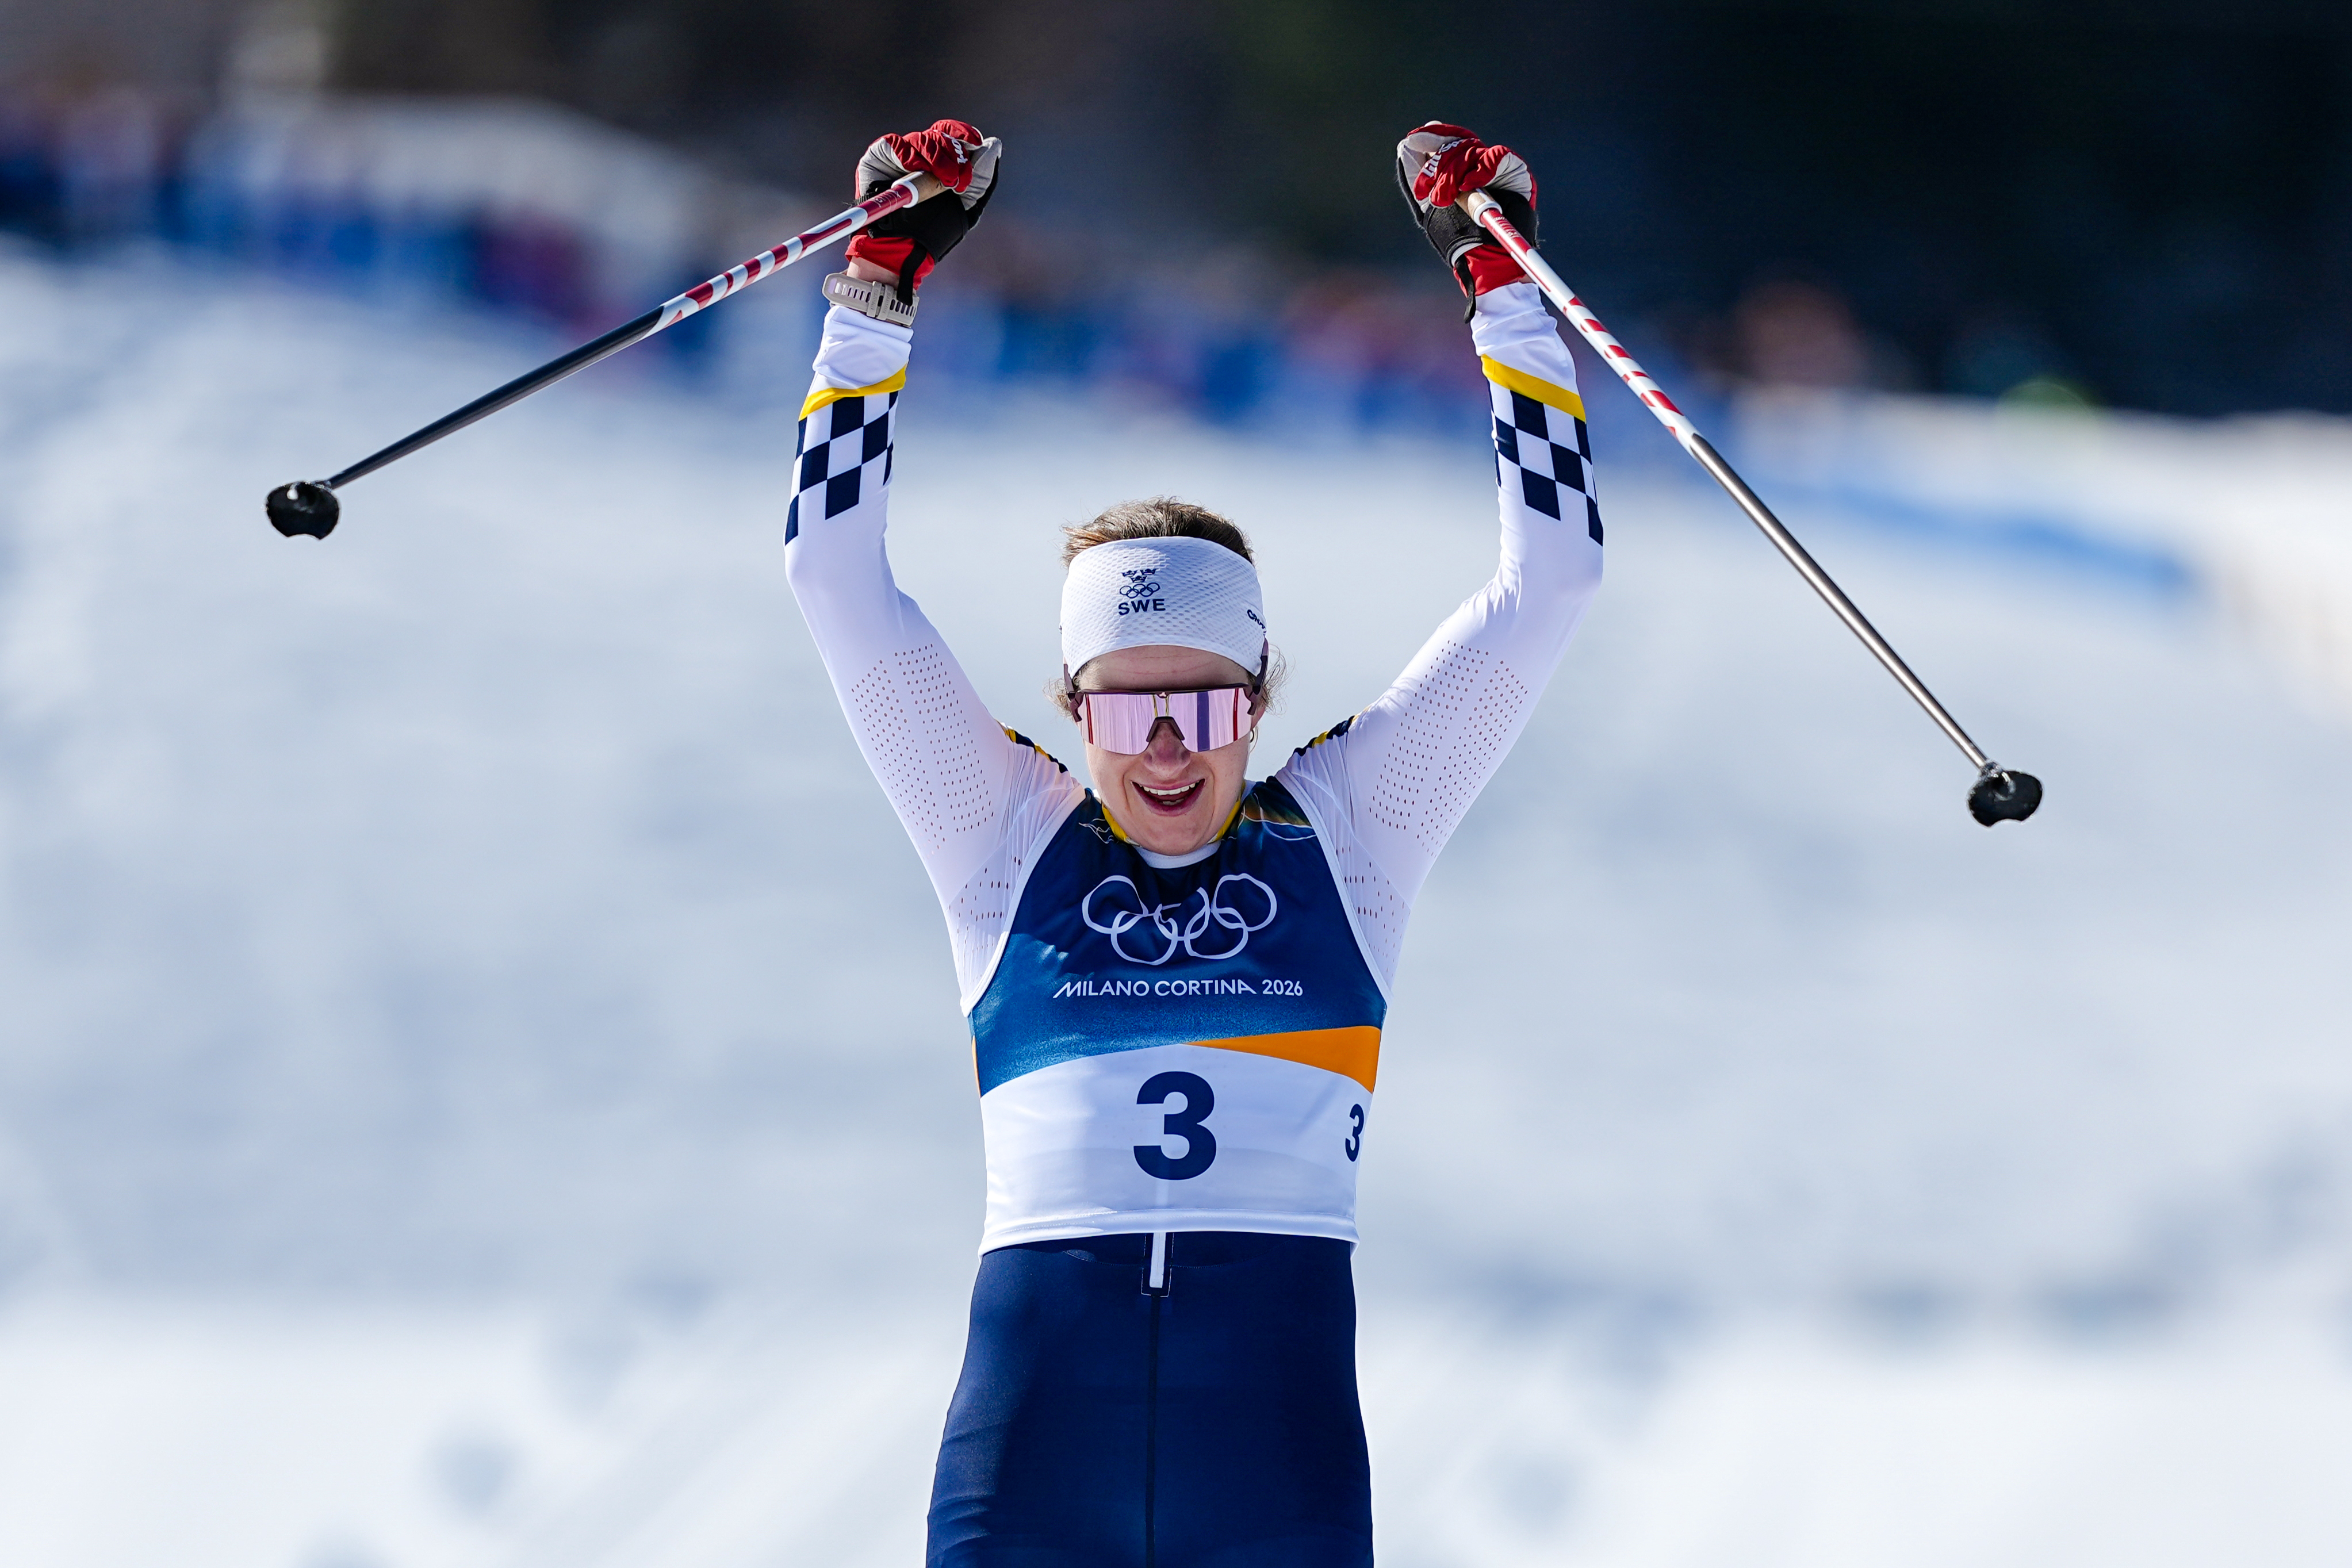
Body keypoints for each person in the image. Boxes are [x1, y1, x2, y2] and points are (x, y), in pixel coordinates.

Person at [785, 119, 1603, 1568]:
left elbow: (1549, 579)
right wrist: (877, 287)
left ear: (1261, 696)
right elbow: (832, 575)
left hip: (1268, 1463)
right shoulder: (1002, 837)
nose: (1170, 747)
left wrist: (1500, 281)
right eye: (1128, 708)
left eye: (1210, 703)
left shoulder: (1350, 833)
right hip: (1034, 1458)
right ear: (1071, 707)